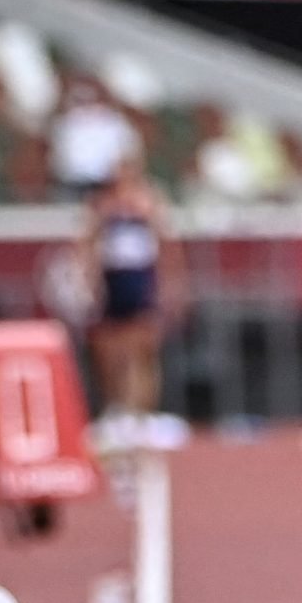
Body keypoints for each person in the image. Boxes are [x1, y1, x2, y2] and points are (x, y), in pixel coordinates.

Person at [85, 152, 181, 440]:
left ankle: (142, 413)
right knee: (110, 350)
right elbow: (88, 244)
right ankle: (118, 408)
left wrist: (170, 284)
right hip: (112, 279)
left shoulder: (149, 202)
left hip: (141, 278)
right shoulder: (102, 205)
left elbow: (167, 245)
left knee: (142, 348)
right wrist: (88, 280)